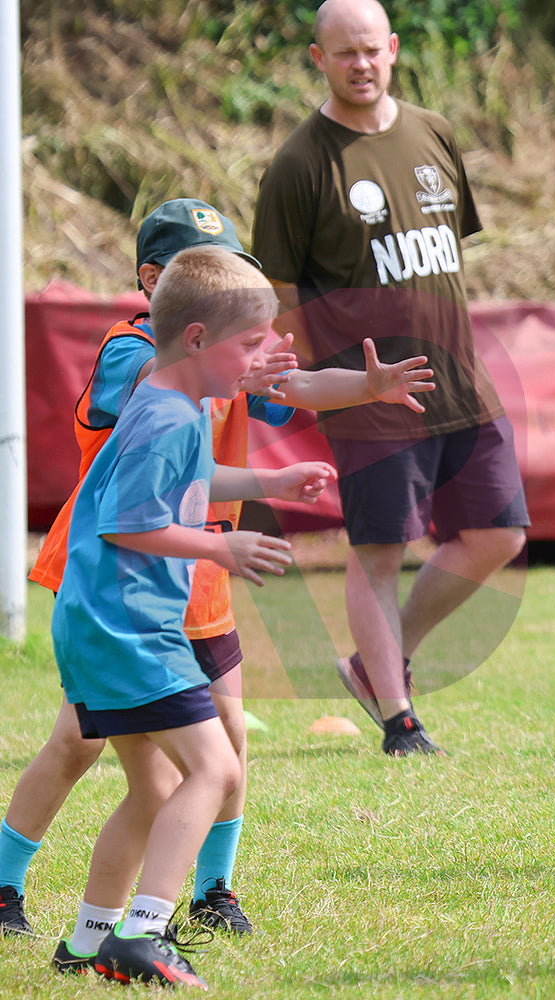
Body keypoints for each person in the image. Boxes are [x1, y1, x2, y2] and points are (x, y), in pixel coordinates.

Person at [4, 198, 432, 945]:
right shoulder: (134, 353)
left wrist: (364, 387)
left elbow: (291, 389)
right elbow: (154, 401)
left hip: (196, 574)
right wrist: (246, 372)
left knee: (224, 741)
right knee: (82, 742)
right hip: (120, 573)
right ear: (155, 284)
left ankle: (210, 890)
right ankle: (13, 887)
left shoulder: (227, 355)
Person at [49, 246, 335, 986]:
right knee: (213, 768)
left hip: (97, 623)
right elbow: (128, 523)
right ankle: (143, 933)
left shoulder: (164, 401)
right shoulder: (173, 416)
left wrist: (271, 478)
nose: (258, 361)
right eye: (249, 345)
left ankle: (86, 942)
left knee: (153, 790)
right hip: (131, 627)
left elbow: (190, 478)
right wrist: (224, 549)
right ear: (200, 339)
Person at [252, 0, 528, 757]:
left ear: (395, 49)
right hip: (370, 392)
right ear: (318, 58)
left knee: (499, 534)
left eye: (372, 50)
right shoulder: (299, 165)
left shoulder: (434, 132)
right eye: (344, 54)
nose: (361, 65)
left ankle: (371, 664)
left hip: (460, 382)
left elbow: (441, 254)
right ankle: (400, 720)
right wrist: (313, 386)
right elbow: (279, 298)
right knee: (376, 552)